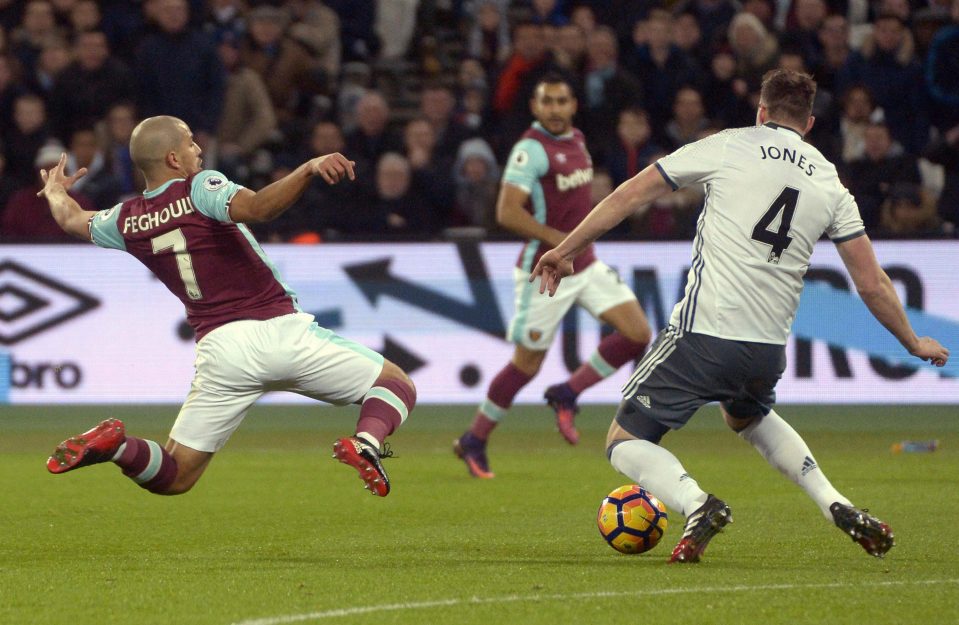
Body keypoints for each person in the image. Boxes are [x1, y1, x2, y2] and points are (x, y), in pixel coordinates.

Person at [530, 69, 949, 562]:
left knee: (624, 440)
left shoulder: (729, 144)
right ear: (809, 123)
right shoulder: (829, 178)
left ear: (761, 112)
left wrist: (565, 249)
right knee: (746, 415)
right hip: (767, 348)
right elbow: (872, 283)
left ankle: (697, 503)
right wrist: (912, 341)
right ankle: (835, 502)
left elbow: (631, 194)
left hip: (704, 331)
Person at [39, 115, 416, 498]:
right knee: (395, 385)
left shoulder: (126, 218)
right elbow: (259, 208)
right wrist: (307, 169)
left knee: (174, 477)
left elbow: (73, 220)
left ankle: (116, 446)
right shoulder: (200, 187)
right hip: (280, 332)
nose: (198, 149)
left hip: (222, 354)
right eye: (189, 143)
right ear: (173, 158)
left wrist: (55, 190)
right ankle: (367, 443)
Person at [454, 74, 652, 479]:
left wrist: (575, 246)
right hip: (544, 269)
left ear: (574, 104)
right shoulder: (531, 150)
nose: (556, 109)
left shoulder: (577, 140)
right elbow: (507, 213)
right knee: (526, 364)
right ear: (535, 107)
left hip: (586, 263)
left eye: (562, 101)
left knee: (637, 334)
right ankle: (474, 438)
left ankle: (567, 392)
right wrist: (560, 242)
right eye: (548, 102)